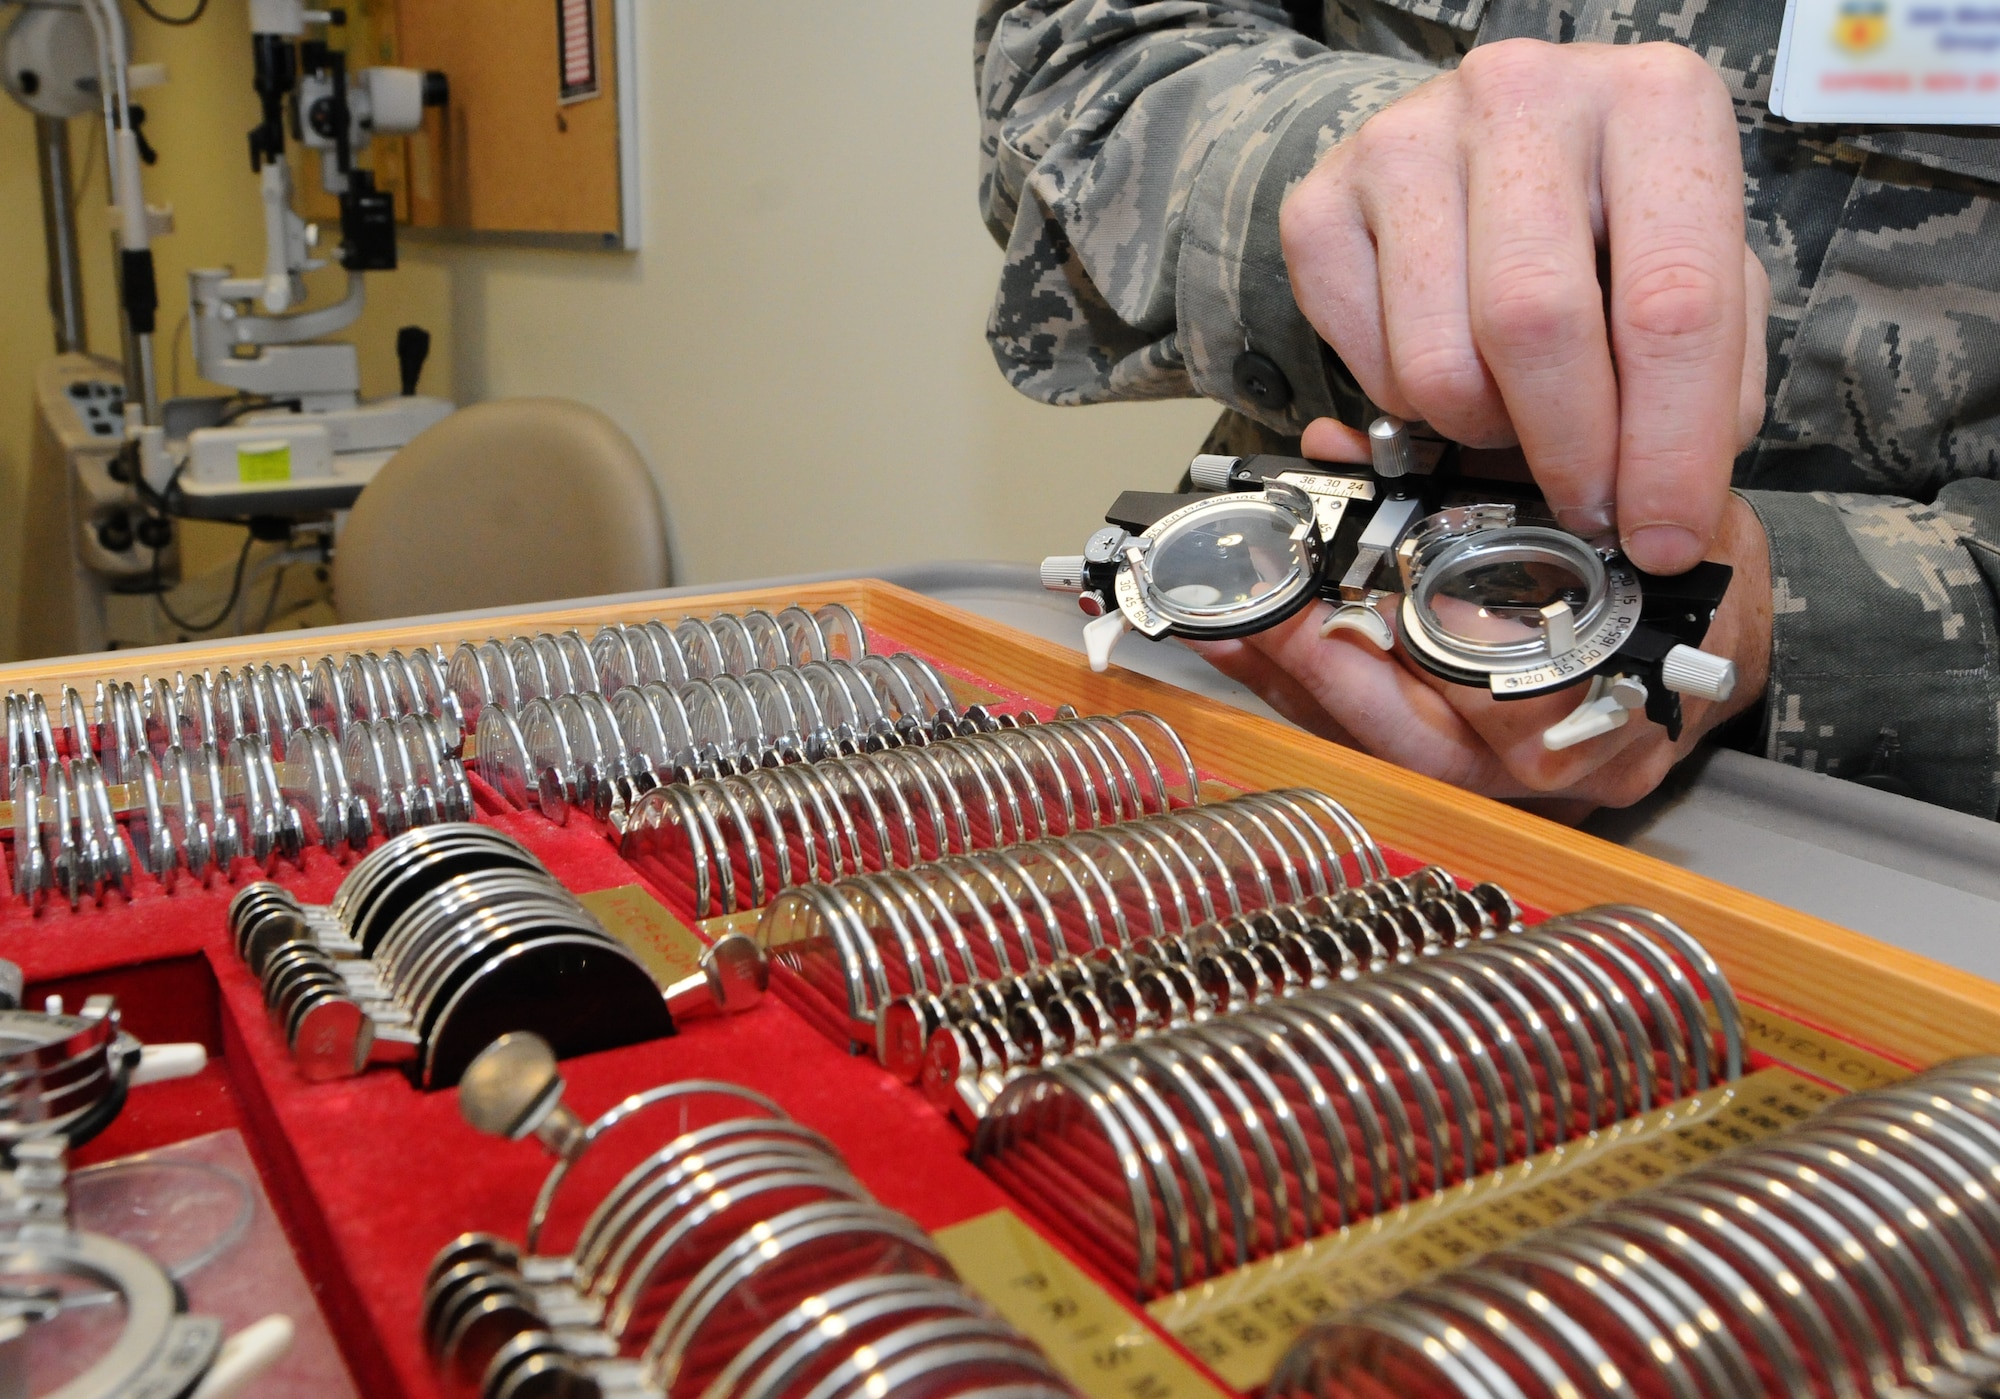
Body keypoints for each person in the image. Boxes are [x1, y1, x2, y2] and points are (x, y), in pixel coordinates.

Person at [976, 0, 2000, 819]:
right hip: (1224, 718)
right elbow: (1078, 51)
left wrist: (1798, 610)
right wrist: (1342, 181)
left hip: (1894, 856)